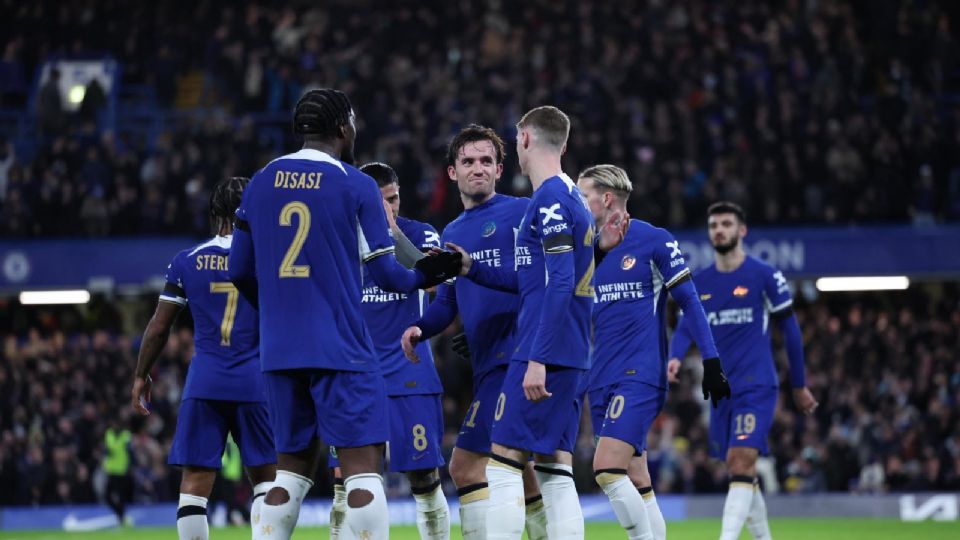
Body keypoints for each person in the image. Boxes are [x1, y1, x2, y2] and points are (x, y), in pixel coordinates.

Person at [227, 88, 461, 540]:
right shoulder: (355, 184)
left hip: (279, 351)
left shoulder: (259, 182)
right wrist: (424, 276)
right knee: (361, 470)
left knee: (290, 474)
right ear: (342, 128)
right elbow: (389, 274)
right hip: (341, 348)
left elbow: (239, 269)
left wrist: (276, 312)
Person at [447, 106, 593, 539]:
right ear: (562, 145)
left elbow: (561, 281)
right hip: (572, 351)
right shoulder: (570, 197)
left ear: (524, 141)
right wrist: (474, 269)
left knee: (505, 462)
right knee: (553, 470)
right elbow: (533, 278)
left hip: (542, 350)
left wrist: (536, 357)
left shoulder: (546, 200)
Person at [400, 124, 549, 540]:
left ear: (500, 169)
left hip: (517, 355)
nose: (477, 169)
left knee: (467, 466)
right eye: (468, 161)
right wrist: (420, 327)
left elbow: (533, 281)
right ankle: (544, 532)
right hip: (488, 362)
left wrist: (475, 272)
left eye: (486, 161)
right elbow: (449, 302)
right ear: (452, 173)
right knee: (518, 465)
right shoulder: (452, 234)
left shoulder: (522, 212)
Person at [577, 164, 730, 540]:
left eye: (582, 197)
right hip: (601, 380)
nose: (576, 205)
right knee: (637, 477)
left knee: (607, 470)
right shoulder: (587, 251)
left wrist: (711, 361)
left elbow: (690, 303)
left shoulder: (654, 241)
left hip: (640, 375)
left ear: (606, 199)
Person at [131, 177, 277, 540]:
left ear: (214, 213)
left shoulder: (187, 261)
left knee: (195, 482)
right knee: (266, 480)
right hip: (254, 382)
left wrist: (141, 374)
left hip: (206, 381)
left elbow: (159, 327)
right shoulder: (268, 261)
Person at [668, 201, 818, 540]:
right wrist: (675, 356)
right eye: (714, 225)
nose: (719, 230)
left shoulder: (764, 275)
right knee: (741, 469)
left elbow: (790, 330)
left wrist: (799, 384)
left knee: (740, 459)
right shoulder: (699, 283)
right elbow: (684, 328)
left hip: (756, 385)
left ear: (741, 230)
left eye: (726, 224)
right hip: (720, 390)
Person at [328, 161, 450, 540]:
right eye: (380, 202)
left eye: (394, 199)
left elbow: (438, 283)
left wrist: (393, 234)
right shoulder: (340, 242)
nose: (389, 208)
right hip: (356, 373)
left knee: (424, 478)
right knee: (345, 484)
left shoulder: (419, 232)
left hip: (407, 370)